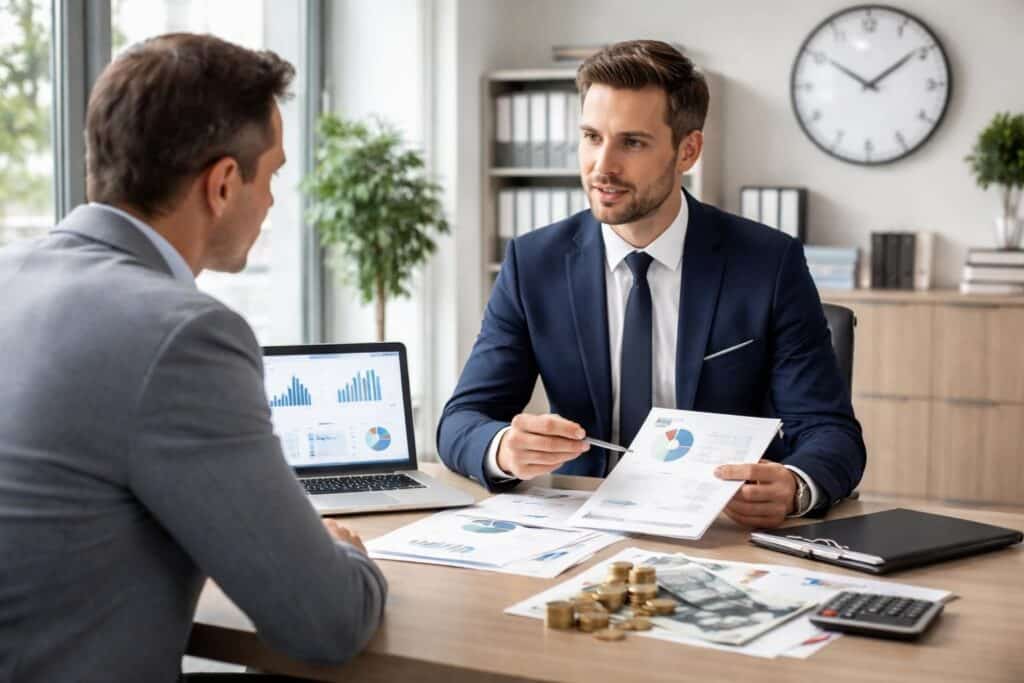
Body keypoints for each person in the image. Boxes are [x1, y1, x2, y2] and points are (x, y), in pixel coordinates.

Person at [0, 34, 386, 682]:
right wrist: (344, 558)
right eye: (274, 174)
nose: (271, 202)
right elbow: (327, 621)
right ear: (224, 184)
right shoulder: (182, 336)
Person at [437, 40, 865, 528]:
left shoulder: (768, 263)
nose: (603, 166)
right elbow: (461, 420)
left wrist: (796, 484)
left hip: (721, 528)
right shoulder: (534, 262)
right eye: (592, 137)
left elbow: (831, 432)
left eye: (632, 142)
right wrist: (504, 450)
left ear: (688, 150)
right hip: (582, 522)